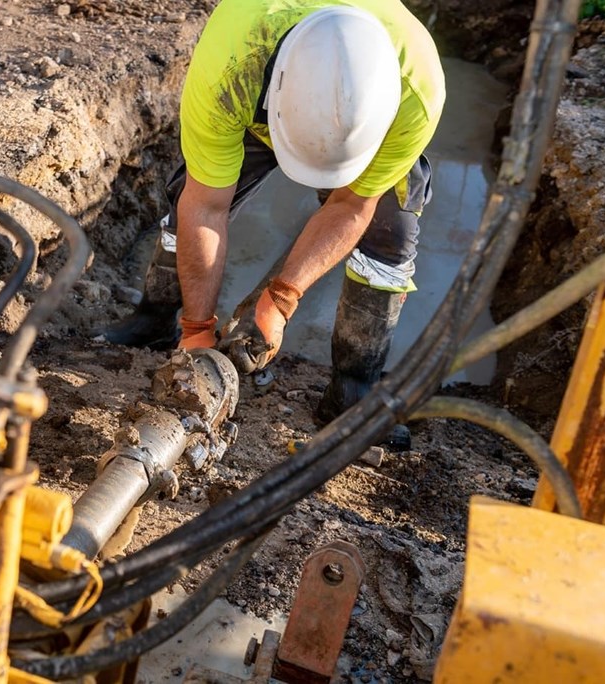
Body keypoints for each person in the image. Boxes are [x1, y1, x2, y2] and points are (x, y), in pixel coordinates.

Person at [99, 0, 445, 447]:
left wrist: (281, 299)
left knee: (389, 239)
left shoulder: (416, 94)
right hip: (253, 98)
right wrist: (198, 328)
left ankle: (352, 392)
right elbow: (205, 208)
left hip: (372, 131)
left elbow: (350, 206)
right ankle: (157, 319)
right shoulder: (231, 66)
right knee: (189, 196)